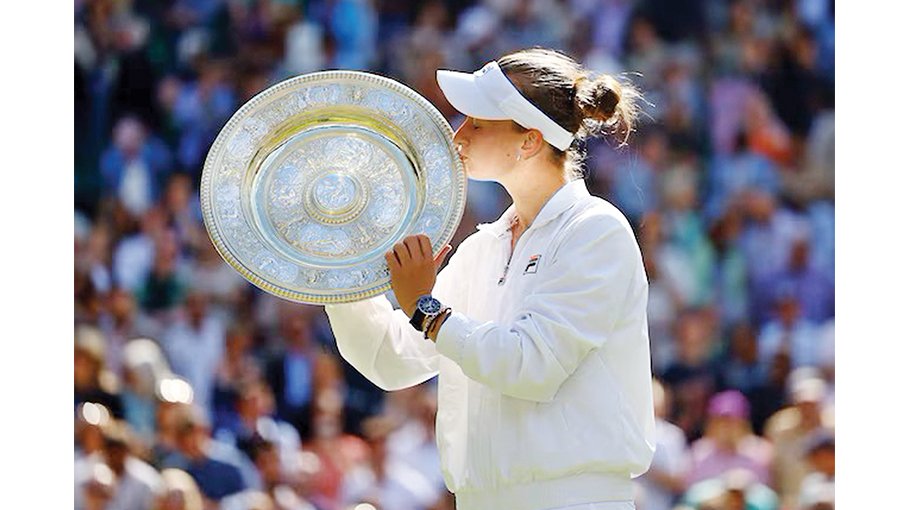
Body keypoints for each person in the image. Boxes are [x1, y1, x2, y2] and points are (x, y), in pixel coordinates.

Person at [324, 48, 655, 509]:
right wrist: (335, 263)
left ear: (529, 142)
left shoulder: (595, 231)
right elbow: (391, 358)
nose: (458, 134)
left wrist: (425, 307)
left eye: (477, 123)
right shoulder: (483, 247)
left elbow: (530, 366)